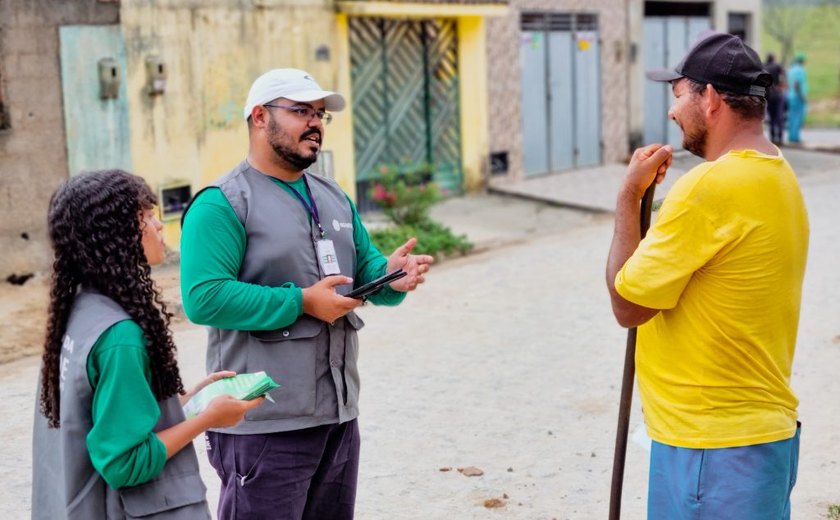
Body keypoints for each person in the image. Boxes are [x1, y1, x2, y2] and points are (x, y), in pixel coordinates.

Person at [179, 68, 434, 519]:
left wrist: (392, 277)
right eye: (300, 111)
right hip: (261, 422)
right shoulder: (222, 203)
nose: (315, 122)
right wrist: (301, 302)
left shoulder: (332, 195)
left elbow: (364, 270)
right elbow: (205, 297)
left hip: (336, 415)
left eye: (319, 114)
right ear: (260, 117)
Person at [606, 31, 808, 519]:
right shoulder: (780, 177)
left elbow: (628, 306)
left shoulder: (708, 187)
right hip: (759, 442)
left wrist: (627, 199)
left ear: (711, 99)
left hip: (710, 449)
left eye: (678, 96)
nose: (673, 113)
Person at [31, 170, 264, 519]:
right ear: (113, 234)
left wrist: (189, 401)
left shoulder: (80, 312)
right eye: (148, 216)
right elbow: (125, 462)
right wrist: (210, 419)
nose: (159, 226)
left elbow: (111, 415)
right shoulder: (119, 336)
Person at [764, 53, 786, 145]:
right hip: (777, 94)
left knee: (772, 117)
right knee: (779, 116)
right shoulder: (777, 66)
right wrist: (782, 86)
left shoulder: (763, 67)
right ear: (773, 59)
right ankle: (780, 138)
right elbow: (783, 74)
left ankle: (772, 137)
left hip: (768, 95)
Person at [786, 53, 808, 144]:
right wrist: (802, 96)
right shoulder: (800, 70)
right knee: (798, 116)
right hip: (798, 96)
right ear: (802, 61)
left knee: (792, 116)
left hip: (790, 95)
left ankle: (791, 136)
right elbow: (797, 83)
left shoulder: (791, 70)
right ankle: (795, 137)